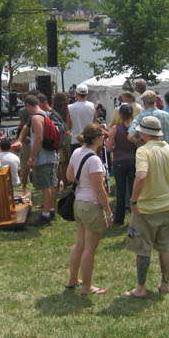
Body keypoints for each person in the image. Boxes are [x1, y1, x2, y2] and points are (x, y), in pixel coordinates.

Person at [123, 116, 169, 298]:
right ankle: (165, 283)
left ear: (144, 133)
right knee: (166, 246)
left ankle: (140, 288)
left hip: (146, 208)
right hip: (168, 205)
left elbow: (141, 176)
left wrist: (133, 201)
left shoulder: (143, 151)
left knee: (143, 248)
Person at [66, 125, 113, 295]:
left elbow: (69, 176)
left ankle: (72, 279)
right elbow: (100, 190)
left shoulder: (77, 152)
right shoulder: (94, 160)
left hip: (78, 202)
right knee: (89, 249)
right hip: (91, 205)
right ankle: (86, 286)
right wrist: (108, 211)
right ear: (97, 138)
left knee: (79, 244)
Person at [21, 95, 59, 225]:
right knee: (52, 184)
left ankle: (45, 214)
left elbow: (38, 138)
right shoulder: (46, 115)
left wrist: (32, 156)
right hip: (51, 155)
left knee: (46, 186)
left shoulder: (36, 118)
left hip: (43, 157)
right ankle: (51, 209)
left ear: (28, 105)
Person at [105, 103, 136, 226]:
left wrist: (110, 144)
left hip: (119, 161)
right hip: (133, 160)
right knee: (134, 190)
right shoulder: (135, 128)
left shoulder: (115, 129)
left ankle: (119, 219)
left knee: (121, 191)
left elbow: (109, 148)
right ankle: (136, 217)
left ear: (120, 115)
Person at [67, 84, 96, 153]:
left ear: (76, 94)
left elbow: (68, 125)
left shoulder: (70, 107)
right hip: (89, 140)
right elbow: (94, 123)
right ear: (87, 94)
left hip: (75, 139)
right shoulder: (92, 106)